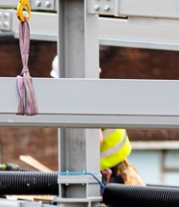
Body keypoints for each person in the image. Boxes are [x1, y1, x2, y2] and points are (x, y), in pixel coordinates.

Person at [50, 55, 145, 186]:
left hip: (107, 168)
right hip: (117, 164)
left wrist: (84, 168)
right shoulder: (96, 93)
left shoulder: (85, 100)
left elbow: (96, 139)